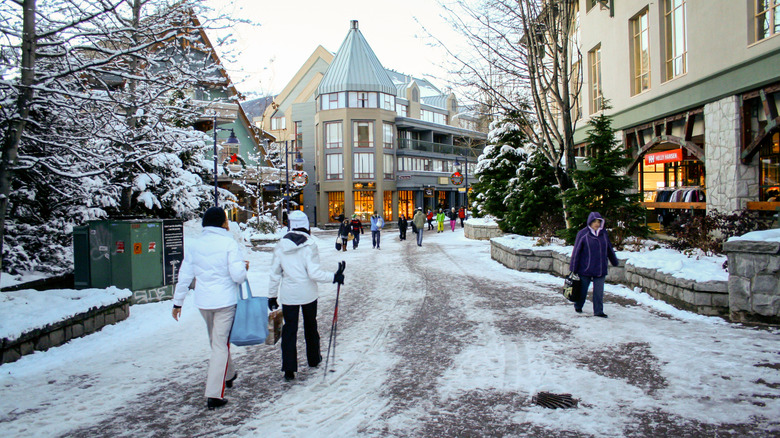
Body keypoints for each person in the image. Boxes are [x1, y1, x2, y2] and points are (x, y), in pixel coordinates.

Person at [172, 207, 248, 410]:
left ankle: (229, 374)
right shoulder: (229, 243)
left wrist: (177, 302)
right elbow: (238, 276)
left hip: (203, 302)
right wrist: (243, 267)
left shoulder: (195, 245)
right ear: (222, 223)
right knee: (220, 345)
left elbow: (185, 275)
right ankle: (214, 394)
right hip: (225, 302)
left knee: (216, 342)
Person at [268, 210, 346, 381]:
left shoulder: (281, 245)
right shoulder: (309, 244)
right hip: (308, 294)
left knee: (289, 330)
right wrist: (334, 277)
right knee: (311, 325)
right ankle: (313, 358)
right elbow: (314, 274)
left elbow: (275, 273)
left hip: (289, 295)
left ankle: (289, 368)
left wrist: (272, 296)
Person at [569, 212, 619, 318]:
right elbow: (576, 251)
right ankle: (578, 305)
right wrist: (573, 268)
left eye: (598, 221)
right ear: (590, 222)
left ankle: (598, 311)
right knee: (582, 291)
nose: (596, 224)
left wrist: (614, 261)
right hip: (585, 268)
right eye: (594, 221)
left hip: (600, 268)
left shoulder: (603, 233)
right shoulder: (583, 234)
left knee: (599, 292)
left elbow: (609, 248)